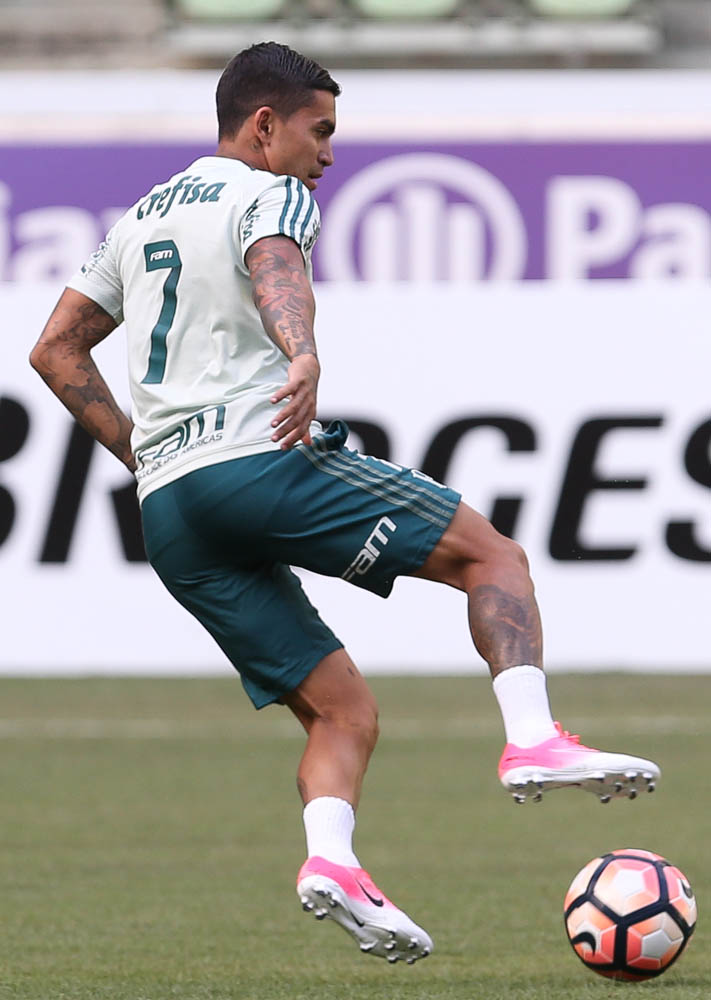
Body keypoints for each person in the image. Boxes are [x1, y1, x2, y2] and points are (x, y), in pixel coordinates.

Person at [30, 41, 661, 966]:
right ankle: (531, 738)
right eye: (318, 131)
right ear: (264, 125)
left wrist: (145, 453)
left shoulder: (137, 219)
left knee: (342, 712)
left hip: (170, 510)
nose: (327, 153)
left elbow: (53, 350)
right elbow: (274, 265)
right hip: (256, 459)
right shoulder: (269, 191)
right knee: (492, 556)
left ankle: (333, 862)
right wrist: (302, 352)